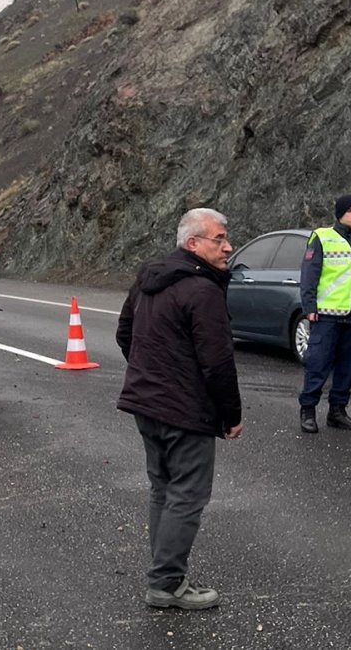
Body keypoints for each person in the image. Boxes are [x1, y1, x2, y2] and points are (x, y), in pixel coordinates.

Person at [116, 208, 244, 610]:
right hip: (185, 411)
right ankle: (167, 584)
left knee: (163, 489)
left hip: (145, 403)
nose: (228, 247)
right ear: (193, 243)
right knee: (187, 494)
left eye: (227, 239)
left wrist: (152, 375)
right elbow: (218, 362)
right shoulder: (202, 290)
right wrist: (231, 415)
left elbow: (125, 334)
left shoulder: (149, 277)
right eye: (219, 239)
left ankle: (165, 572)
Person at [296, 195, 351, 432]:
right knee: (318, 364)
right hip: (326, 314)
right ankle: (308, 409)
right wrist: (310, 307)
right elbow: (309, 275)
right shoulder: (322, 238)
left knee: (348, 366)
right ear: (339, 214)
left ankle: (337, 411)